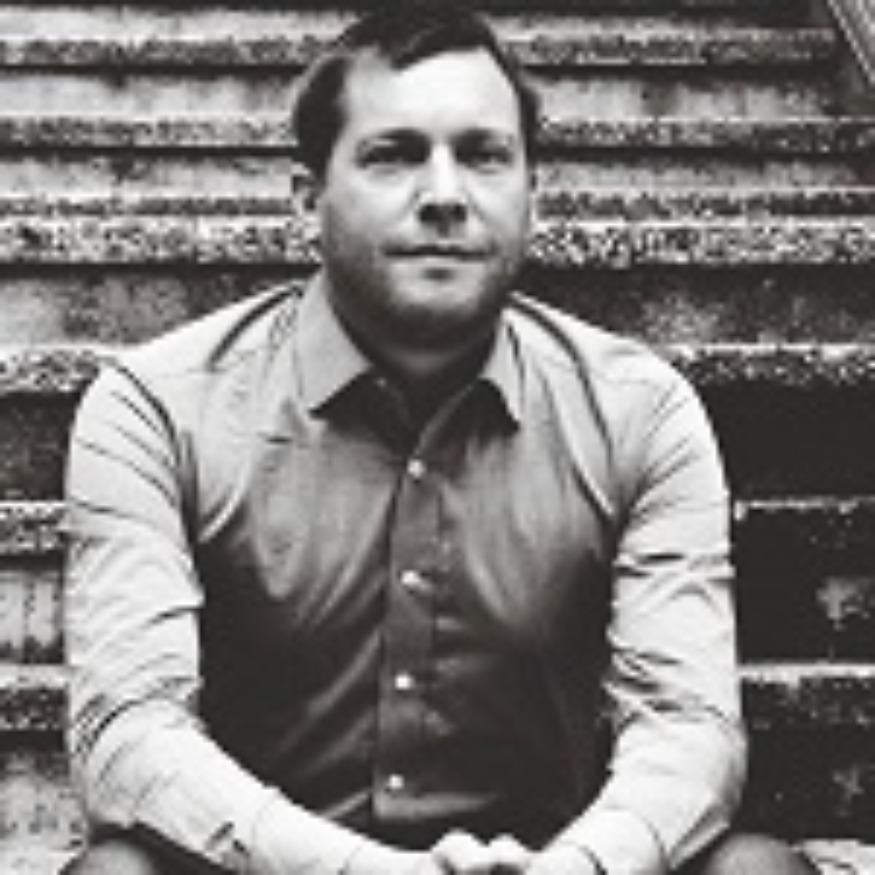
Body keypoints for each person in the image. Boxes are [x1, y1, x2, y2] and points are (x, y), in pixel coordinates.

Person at [61, 4, 818, 873]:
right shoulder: (155, 409)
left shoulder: (639, 412)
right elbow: (128, 735)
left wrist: (579, 865)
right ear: (307, 199)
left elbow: (687, 728)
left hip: (548, 864)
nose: (446, 194)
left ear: (533, 193)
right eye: (393, 154)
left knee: (756, 869)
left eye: (484, 154)